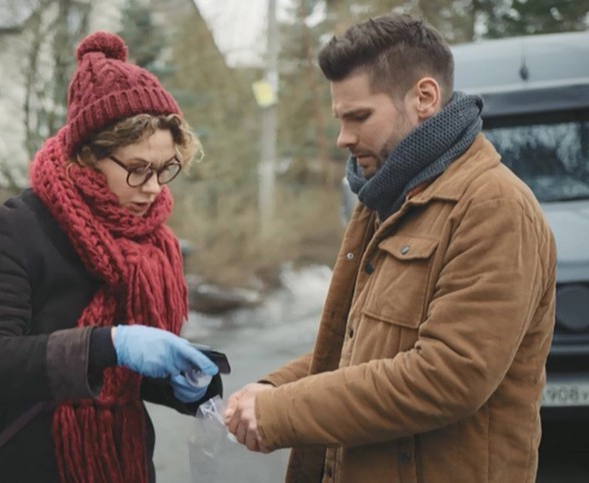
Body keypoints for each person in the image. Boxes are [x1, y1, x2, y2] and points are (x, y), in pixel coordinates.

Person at [224, 13, 556, 483]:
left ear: (424, 98)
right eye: (340, 119)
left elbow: (447, 376)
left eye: (359, 117)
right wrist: (272, 386)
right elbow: (359, 348)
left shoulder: (493, 206)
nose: (344, 138)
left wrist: (281, 410)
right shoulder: (387, 198)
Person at [0, 31, 221, 483]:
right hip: (28, 468)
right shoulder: (16, 227)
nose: (154, 188)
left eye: (165, 169)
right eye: (138, 169)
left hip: (124, 464)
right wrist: (109, 343)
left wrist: (180, 384)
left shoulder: (149, 239)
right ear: (88, 156)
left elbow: (117, 379)